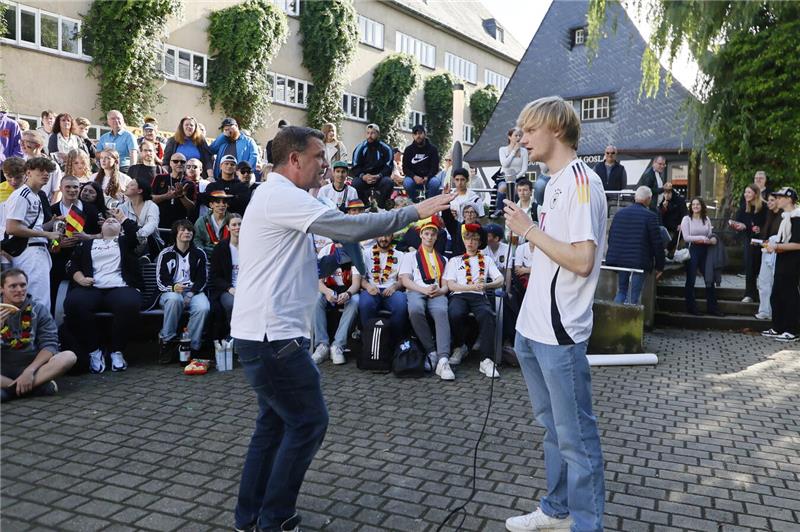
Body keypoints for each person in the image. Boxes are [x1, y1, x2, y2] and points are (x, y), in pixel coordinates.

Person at [230, 125, 452, 532]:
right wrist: (414, 211)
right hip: (273, 338)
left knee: (274, 424)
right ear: (294, 159)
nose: (326, 164)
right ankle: (274, 519)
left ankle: (250, 516)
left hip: (264, 335)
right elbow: (351, 228)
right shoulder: (281, 195)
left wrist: (332, 263)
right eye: (319, 157)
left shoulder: (275, 195)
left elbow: (296, 261)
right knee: (308, 422)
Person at [502, 96, 607, 532]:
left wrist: (528, 229)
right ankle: (557, 510)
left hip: (559, 334)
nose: (522, 138)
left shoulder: (582, 182)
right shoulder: (552, 182)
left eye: (530, 130)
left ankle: (585, 525)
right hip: (532, 329)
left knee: (576, 437)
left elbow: (582, 259)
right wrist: (527, 234)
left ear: (557, 129)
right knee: (553, 429)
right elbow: (554, 251)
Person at [64, 209, 143, 373]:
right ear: (101, 229)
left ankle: (116, 350)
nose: (111, 221)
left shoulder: (125, 242)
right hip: (91, 287)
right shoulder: (88, 244)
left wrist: (122, 218)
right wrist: (80, 278)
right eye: (107, 221)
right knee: (74, 303)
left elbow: (136, 234)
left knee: (129, 303)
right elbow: (72, 264)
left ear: (120, 229)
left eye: (114, 221)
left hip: (120, 287)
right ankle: (94, 350)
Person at [1, 268, 77, 402]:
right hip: (2, 370)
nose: (19, 290)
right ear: (1, 289)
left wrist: (29, 371)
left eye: (23, 285)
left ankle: (10, 391)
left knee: (69, 357)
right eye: (13, 286)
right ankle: (33, 388)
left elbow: (50, 345)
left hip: (33, 368)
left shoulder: (39, 309)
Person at [443, 223, 503, 376]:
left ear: (479, 242)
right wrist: (470, 287)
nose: (470, 242)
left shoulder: (487, 260)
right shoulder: (455, 260)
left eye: (474, 239)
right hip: (459, 295)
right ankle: (459, 347)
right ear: (463, 240)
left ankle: (486, 360)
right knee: (455, 313)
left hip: (479, 296)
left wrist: (486, 285)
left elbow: (500, 279)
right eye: (467, 238)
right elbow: (451, 285)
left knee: (487, 314)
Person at [3, 157, 61, 309]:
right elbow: (12, 228)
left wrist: (52, 224)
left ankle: (31, 325)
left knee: (36, 301)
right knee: (36, 301)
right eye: (41, 170)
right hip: (30, 253)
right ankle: (32, 326)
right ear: (28, 173)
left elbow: (32, 227)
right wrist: (47, 235)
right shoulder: (23, 195)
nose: (46, 174)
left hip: (35, 251)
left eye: (48, 171)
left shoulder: (34, 195)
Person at [399, 216, 452, 380]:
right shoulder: (410, 256)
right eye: (426, 234)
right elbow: (405, 280)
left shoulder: (444, 259)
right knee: (415, 309)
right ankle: (431, 351)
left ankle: (443, 359)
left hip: (436, 293)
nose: (429, 237)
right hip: (416, 290)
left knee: (441, 312)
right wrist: (422, 289)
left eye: (432, 234)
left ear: (436, 237)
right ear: (421, 235)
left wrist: (441, 291)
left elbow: (446, 285)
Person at [155, 220, 210, 363]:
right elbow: (161, 280)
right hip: (170, 292)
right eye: (183, 230)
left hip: (193, 292)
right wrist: (173, 288)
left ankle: (190, 345)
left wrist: (191, 293)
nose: (187, 232)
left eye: (189, 230)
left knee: (203, 307)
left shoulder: (199, 253)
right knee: (175, 300)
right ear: (175, 233)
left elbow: (202, 279)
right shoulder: (166, 254)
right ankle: (167, 342)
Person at [605, 186, 665, 304]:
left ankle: (615, 314)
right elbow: (657, 243)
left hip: (621, 261)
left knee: (622, 292)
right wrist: (660, 266)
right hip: (639, 262)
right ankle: (629, 315)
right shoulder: (650, 216)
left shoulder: (619, 214)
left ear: (635, 197)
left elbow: (611, 236)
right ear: (648, 199)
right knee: (633, 296)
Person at [49, 175, 102, 308]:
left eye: (75, 187)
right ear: (60, 188)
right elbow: (46, 239)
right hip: (59, 261)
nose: (72, 190)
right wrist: (58, 244)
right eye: (68, 187)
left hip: (85, 261)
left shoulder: (91, 209)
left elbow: (103, 236)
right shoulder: (52, 210)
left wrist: (88, 237)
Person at [312, 242, 362, 366]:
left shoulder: (356, 250)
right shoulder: (326, 251)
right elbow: (317, 281)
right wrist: (327, 292)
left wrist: (348, 294)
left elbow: (356, 283)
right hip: (328, 288)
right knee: (315, 298)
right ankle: (322, 345)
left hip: (348, 288)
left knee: (355, 300)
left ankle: (338, 345)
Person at [761, 187, 800, 342]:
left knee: (790, 295)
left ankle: (792, 330)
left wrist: (776, 246)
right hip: (783, 259)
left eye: (780, 197)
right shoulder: (786, 217)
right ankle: (778, 327)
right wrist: (772, 245)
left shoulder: (797, 217)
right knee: (777, 294)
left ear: (789, 199)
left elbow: (797, 244)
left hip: (793, 261)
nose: (777, 199)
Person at [358, 232, 407, 341]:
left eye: (387, 235)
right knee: (365, 304)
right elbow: (360, 278)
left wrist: (394, 287)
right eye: (381, 235)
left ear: (392, 236)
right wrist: (368, 286)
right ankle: (368, 339)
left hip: (392, 290)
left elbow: (402, 279)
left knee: (401, 304)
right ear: (376, 236)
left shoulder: (400, 255)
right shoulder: (365, 253)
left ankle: (393, 340)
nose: (384, 238)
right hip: (371, 289)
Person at [680, 197, 723, 316]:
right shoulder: (686, 219)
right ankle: (691, 308)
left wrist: (712, 239)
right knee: (691, 279)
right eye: (693, 204)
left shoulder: (706, 219)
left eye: (698, 204)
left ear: (702, 206)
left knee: (709, 278)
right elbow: (686, 237)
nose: (695, 206)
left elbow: (709, 234)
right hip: (693, 250)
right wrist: (701, 238)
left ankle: (713, 308)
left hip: (706, 250)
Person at [730, 183, 766, 302]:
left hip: (763, 241)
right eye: (745, 192)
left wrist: (760, 229)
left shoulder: (764, 207)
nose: (746, 194)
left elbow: (768, 224)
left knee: (762, 268)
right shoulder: (743, 207)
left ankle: (764, 294)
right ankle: (749, 294)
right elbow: (739, 223)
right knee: (749, 267)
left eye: (749, 192)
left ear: (756, 194)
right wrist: (738, 226)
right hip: (749, 241)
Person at [209, 213, 242, 341]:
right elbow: (215, 276)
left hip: (247, 287)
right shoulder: (220, 248)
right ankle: (233, 336)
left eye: (240, 224)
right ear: (228, 227)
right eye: (234, 225)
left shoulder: (250, 246)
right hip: (227, 289)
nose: (237, 227)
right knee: (232, 304)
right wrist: (229, 288)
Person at [350, 123, 394, 209]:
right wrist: (363, 176)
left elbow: (388, 167)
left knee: (388, 182)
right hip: (364, 178)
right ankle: (365, 205)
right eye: (368, 133)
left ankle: (381, 207)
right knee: (355, 183)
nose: (370, 135)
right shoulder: (360, 148)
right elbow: (355, 167)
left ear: (378, 134)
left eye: (372, 133)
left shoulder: (386, 148)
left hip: (380, 178)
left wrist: (378, 176)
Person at [152, 151, 197, 235]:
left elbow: (192, 208)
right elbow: (150, 199)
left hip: (179, 225)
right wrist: (165, 196)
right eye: (176, 161)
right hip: (159, 221)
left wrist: (182, 196)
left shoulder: (190, 183)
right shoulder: (159, 178)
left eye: (182, 162)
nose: (179, 163)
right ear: (170, 163)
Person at [117, 177, 161, 258]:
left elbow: (152, 224)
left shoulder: (151, 206)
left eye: (131, 185)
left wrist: (138, 235)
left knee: (146, 236)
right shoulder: (122, 207)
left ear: (140, 190)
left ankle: (143, 257)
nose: (127, 186)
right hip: (129, 242)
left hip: (151, 244)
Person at [755, 193, 782, 321]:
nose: (769, 203)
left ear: (778, 201)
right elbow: (766, 235)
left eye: (772, 200)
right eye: (768, 200)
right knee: (763, 281)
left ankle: (775, 312)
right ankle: (764, 311)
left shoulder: (783, 217)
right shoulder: (769, 216)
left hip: (778, 252)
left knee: (775, 282)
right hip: (766, 252)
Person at [21, 130, 62, 203]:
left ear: (38, 145)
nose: (22, 144)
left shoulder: (52, 165)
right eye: (21, 141)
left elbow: (57, 191)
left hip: (45, 205)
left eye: (26, 141)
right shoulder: (20, 164)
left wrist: (51, 208)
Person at [494, 127, 529, 213]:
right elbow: (505, 164)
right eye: (516, 135)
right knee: (503, 187)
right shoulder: (502, 149)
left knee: (517, 188)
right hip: (504, 177)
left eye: (519, 136)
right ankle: (499, 209)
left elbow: (524, 169)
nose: (518, 138)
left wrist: (514, 178)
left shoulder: (524, 151)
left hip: (518, 177)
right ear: (509, 137)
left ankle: (516, 210)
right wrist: (514, 151)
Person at [402, 125, 441, 201]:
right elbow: (405, 168)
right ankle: (414, 201)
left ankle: (429, 202)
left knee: (435, 183)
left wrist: (427, 177)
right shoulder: (408, 150)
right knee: (407, 183)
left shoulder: (433, 149)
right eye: (415, 134)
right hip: (413, 178)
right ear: (413, 136)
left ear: (424, 134)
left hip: (429, 178)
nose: (418, 136)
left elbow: (435, 167)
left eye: (420, 133)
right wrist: (414, 176)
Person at [194, 190, 234, 256]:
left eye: (224, 202)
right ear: (211, 205)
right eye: (218, 202)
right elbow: (197, 239)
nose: (222, 205)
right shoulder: (202, 221)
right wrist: (203, 252)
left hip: (228, 255)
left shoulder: (232, 219)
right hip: (207, 256)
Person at [658, 181, 688, 253]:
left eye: (669, 193)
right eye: (665, 193)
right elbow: (661, 216)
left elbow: (684, 213)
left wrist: (682, 223)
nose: (667, 195)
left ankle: (668, 249)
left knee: (680, 232)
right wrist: (664, 208)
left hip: (677, 223)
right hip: (667, 224)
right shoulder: (663, 201)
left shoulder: (679, 200)